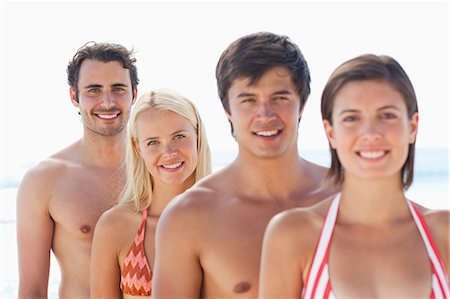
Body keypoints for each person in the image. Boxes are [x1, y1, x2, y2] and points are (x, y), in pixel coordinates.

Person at [152, 32, 336, 298]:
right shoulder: (188, 217)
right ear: (228, 109)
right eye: (248, 100)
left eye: (280, 98)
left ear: (302, 104)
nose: (265, 114)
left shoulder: (345, 199)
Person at [258, 54, 450, 298]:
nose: (370, 133)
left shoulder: (445, 233)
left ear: (412, 126)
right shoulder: (293, 235)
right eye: (351, 118)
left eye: (387, 115)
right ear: (331, 133)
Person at [16, 42, 139, 298]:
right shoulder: (44, 181)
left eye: (118, 88)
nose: (107, 101)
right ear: (75, 96)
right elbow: (32, 291)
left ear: (134, 94)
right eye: (94, 90)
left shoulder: (158, 169)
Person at [90, 88, 212, 298]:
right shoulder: (116, 227)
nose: (169, 153)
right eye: (153, 142)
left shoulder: (226, 220)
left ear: (197, 135)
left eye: (179, 136)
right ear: (138, 147)